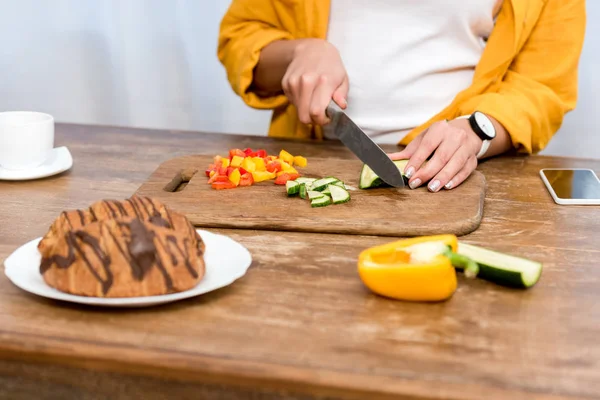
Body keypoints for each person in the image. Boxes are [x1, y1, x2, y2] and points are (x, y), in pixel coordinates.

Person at [217, 1, 585, 192]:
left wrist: (475, 131)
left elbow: (543, 86)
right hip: (314, 160)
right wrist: (298, 52)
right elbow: (240, 37)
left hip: (463, 172)